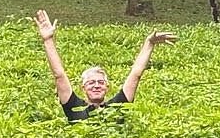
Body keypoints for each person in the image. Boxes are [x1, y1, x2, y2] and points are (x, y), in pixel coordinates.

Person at [35, 9, 175, 121]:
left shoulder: (117, 106)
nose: (96, 85)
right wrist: (48, 39)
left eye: (101, 82)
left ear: (107, 87)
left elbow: (136, 74)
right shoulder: (74, 107)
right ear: (82, 88)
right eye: (91, 83)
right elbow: (59, 75)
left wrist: (149, 43)